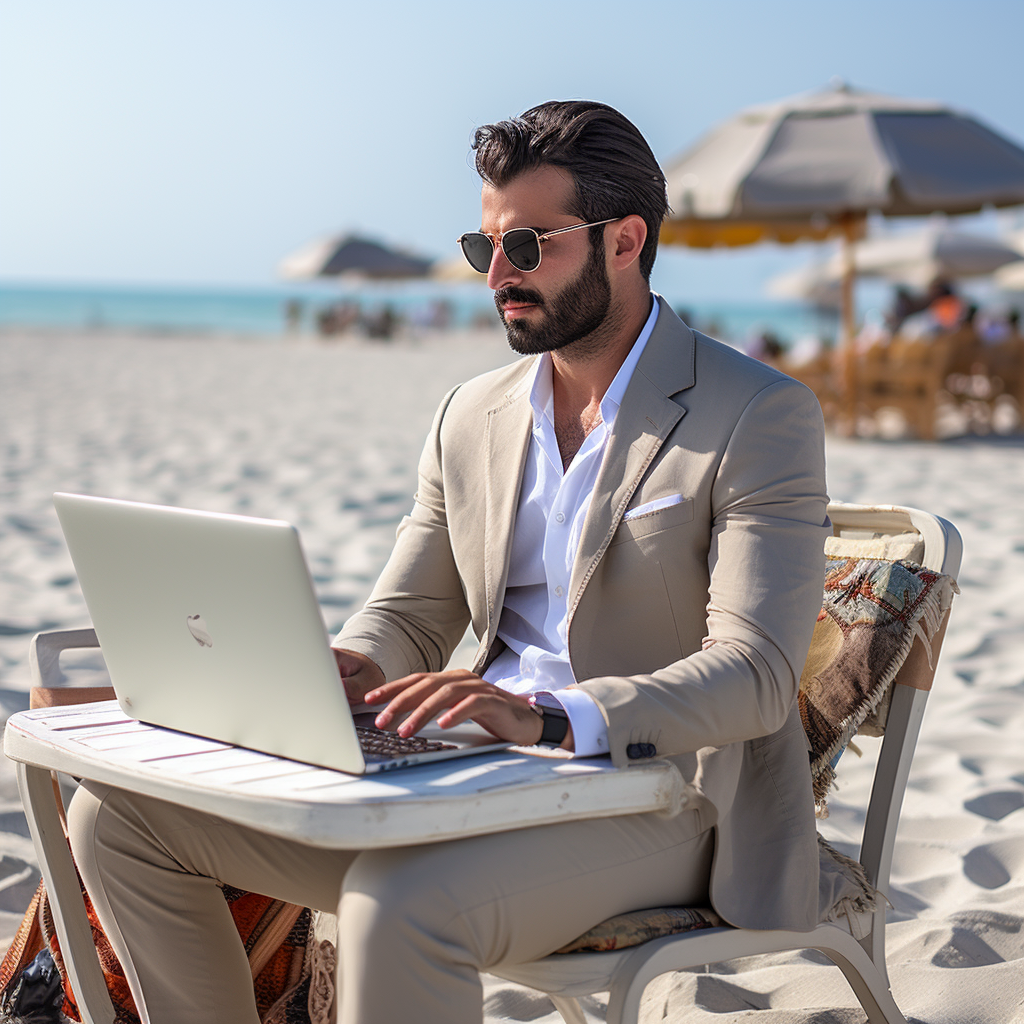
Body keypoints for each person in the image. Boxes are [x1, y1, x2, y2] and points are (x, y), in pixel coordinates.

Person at [67, 100, 830, 1024]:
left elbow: (754, 674)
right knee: (117, 821)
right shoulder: (471, 412)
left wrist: (547, 717)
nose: (497, 275)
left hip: (666, 799)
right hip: (467, 771)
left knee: (398, 903)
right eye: (486, 247)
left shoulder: (756, 412)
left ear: (624, 240)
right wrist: (356, 665)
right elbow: (411, 614)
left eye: (528, 247)